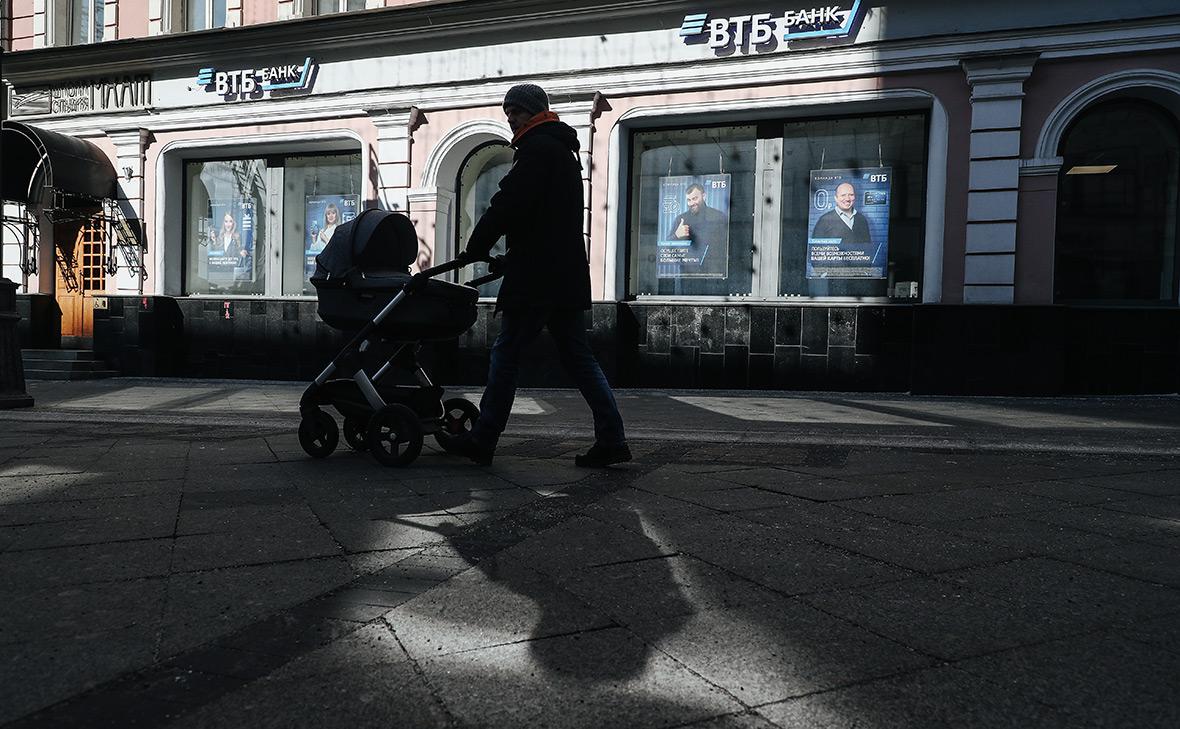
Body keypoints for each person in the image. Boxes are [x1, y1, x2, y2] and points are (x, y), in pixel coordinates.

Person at [449, 83, 630, 468]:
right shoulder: (560, 149)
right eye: (507, 111)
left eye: (516, 110)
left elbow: (508, 205)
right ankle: (612, 438)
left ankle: (483, 438)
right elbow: (539, 216)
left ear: (534, 111)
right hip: (562, 273)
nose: (510, 117)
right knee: (578, 357)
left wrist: (477, 246)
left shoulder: (538, 149)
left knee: (506, 352)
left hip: (538, 276)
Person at [666, 183, 728, 272]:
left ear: (704, 196)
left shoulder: (719, 216)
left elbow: (727, 246)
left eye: (694, 198)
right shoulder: (681, 219)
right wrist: (676, 235)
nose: (691, 203)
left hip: (715, 274)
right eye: (689, 200)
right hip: (688, 275)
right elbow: (667, 249)